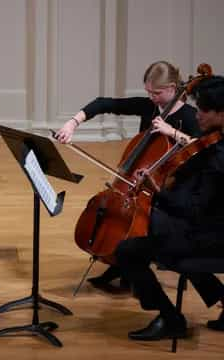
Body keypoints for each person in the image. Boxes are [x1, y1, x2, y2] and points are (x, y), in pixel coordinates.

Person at [55, 60, 201, 290]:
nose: (152, 97)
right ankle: (121, 262)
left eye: (157, 92)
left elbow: (202, 147)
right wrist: (73, 123)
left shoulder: (191, 116)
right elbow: (104, 104)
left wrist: (171, 131)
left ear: (174, 87)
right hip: (138, 181)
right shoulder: (149, 108)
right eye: (148, 92)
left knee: (146, 220)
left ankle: (130, 263)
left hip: (173, 187)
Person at [115, 75, 224, 341]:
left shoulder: (219, 159)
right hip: (212, 225)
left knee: (128, 250)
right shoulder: (214, 143)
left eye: (204, 111)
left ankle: (170, 318)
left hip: (213, 235)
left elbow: (192, 210)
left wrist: (155, 191)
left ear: (222, 113)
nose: (197, 115)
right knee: (158, 229)